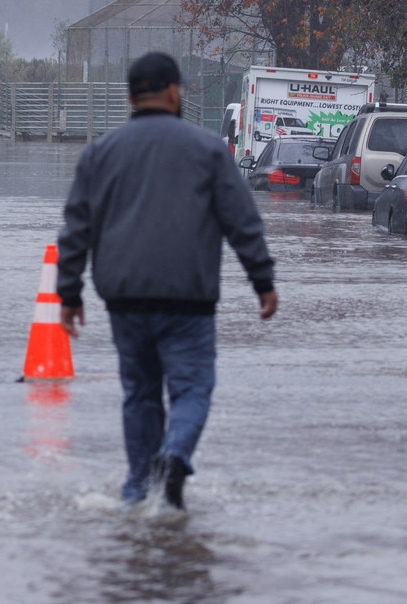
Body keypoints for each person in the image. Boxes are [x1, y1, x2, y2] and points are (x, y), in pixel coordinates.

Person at [57, 51, 277, 508]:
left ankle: (137, 492)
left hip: (125, 299)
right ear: (174, 92)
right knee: (192, 389)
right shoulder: (209, 150)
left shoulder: (100, 153)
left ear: (130, 97)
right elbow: (242, 221)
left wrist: (69, 292)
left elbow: (76, 227)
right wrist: (263, 281)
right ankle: (175, 456)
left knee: (139, 395)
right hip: (188, 301)